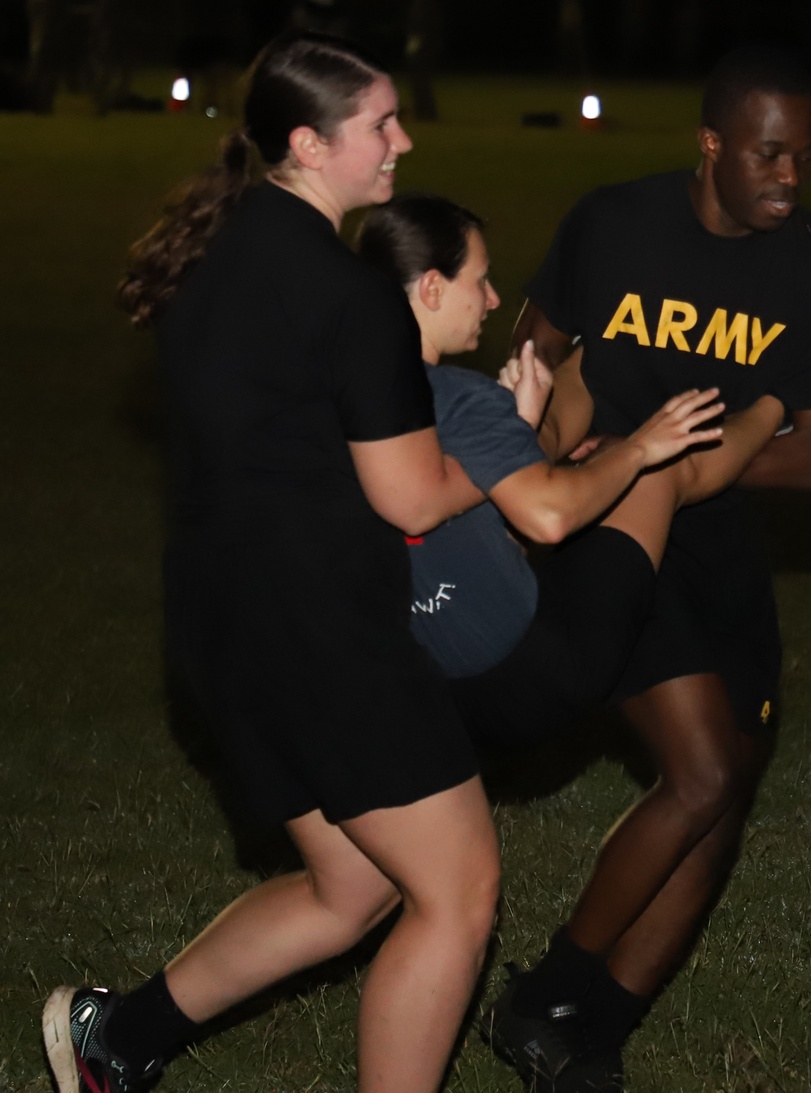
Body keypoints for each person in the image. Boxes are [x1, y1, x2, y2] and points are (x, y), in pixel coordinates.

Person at [42, 31, 503, 1093]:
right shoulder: (351, 301)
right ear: (310, 141)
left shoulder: (209, 248)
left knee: (352, 887)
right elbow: (411, 495)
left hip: (221, 627)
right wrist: (511, 439)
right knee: (459, 890)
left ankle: (119, 1039)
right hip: (322, 638)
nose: (403, 140)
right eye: (381, 124)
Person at [480, 43, 811, 1093]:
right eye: (766, 155)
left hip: (718, 541)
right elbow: (533, 353)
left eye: (803, 155)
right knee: (700, 769)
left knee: (722, 795)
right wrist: (562, 455)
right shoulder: (613, 223)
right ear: (710, 145)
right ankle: (548, 989)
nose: (789, 177)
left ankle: (585, 1031)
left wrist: (709, 466)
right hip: (606, 524)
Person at [356, 191, 784, 754]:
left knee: (590, 397)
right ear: (432, 288)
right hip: (538, 673)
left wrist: (520, 429)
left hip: (434, 696)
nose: (492, 299)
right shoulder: (463, 399)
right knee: (659, 469)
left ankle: (609, 346)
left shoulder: (351, 403)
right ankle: (777, 401)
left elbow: (473, 539)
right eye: (480, 282)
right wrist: (638, 449)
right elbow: (548, 519)